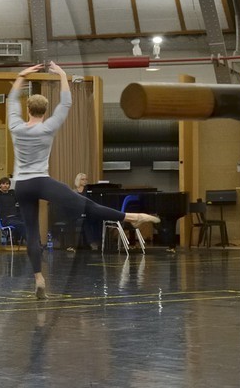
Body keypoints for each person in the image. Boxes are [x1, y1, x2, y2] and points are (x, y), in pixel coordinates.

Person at [8, 62, 157, 298]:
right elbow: (66, 103)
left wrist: (21, 76)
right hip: (41, 181)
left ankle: (38, 278)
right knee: (86, 205)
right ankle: (132, 217)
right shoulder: (48, 128)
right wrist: (63, 75)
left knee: (32, 231)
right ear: (45, 111)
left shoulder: (16, 126)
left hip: (22, 185)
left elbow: (11, 101)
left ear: (28, 109)